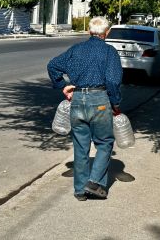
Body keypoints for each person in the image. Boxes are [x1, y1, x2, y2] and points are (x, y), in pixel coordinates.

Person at [47, 16, 122, 201]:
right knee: (104, 143)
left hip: (78, 99)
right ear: (107, 33)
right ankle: (95, 182)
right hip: (100, 100)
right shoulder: (109, 52)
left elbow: (53, 66)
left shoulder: (76, 50)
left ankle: (80, 191)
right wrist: (116, 103)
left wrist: (62, 86)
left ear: (89, 31)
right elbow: (112, 80)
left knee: (81, 147)